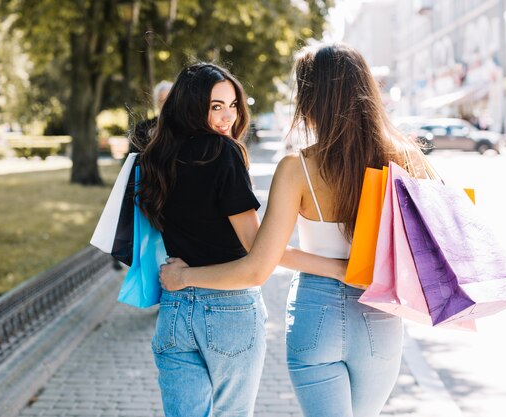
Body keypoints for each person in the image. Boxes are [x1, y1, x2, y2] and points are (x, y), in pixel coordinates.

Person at [160, 44, 426, 417]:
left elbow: (261, 259)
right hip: (378, 314)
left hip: (314, 315)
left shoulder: (297, 168)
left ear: (310, 99)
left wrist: (185, 275)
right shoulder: (406, 158)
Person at [137, 62, 346, 417]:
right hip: (227, 310)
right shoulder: (223, 153)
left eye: (233, 105)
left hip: (174, 308)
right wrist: (337, 268)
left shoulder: (157, 156)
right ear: (190, 105)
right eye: (215, 106)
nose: (227, 117)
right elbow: (258, 257)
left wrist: (183, 278)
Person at [128, 80, 173, 153]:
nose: (165, 105)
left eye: (169, 100)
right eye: (162, 101)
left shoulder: (182, 126)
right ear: (157, 103)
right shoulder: (143, 127)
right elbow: (134, 155)